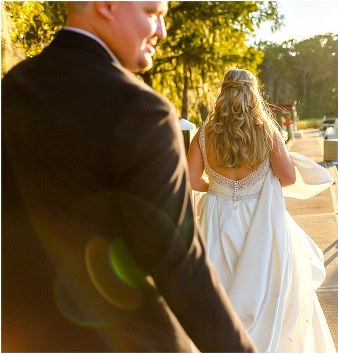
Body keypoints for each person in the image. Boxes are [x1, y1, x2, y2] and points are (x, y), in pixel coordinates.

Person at [2, 2, 255, 352]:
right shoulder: (142, 110)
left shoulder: (13, 88)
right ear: (106, 5)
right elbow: (180, 263)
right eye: (153, 13)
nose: (161, 31)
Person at [187, 68, 336, 352]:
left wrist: (217, 188)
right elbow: (289, 178)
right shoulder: (266, 130)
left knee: (220, 288)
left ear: (223, 93)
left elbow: (192, 180)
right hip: (260, 219)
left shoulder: (204, 133)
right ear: (252, 93)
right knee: (270, 290)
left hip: (216, 219)